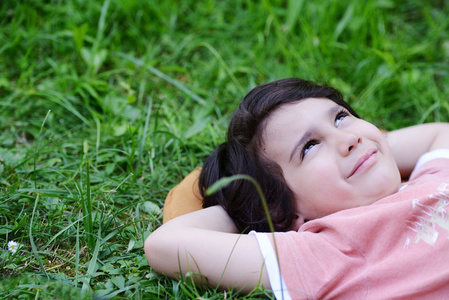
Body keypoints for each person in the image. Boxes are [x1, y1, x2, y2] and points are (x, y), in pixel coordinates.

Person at [145, 78, 449, 299]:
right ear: (282, 211)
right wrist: (252, 204)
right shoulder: (323, 254)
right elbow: (166, 244)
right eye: (310, 147)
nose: (349, 139)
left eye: (341, 117)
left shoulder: (433, 176)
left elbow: (439, 134)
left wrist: (372, 145)